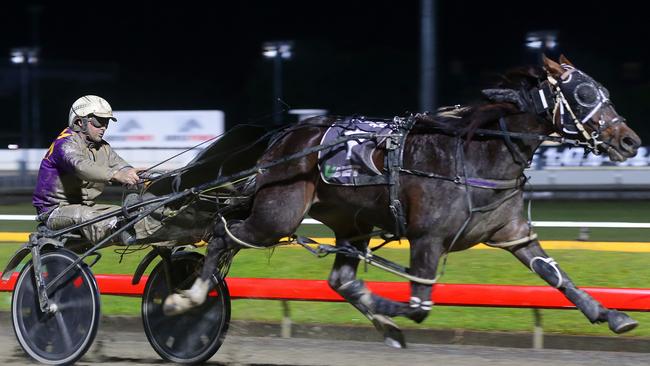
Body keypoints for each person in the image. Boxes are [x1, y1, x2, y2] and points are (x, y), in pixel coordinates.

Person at [33, 95, 142, 244]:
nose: (103, 127)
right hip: (54, 211)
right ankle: (120, 232)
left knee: (122, 213)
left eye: (106, 122)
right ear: (79, 122)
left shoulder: (103, 147)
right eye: (99, 122)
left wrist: (141, 176)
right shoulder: (64, 144)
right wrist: (116, 175)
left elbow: (122, 167)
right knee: (84, 215)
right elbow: (82, 167)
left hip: (86, 206)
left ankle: (127, 227)